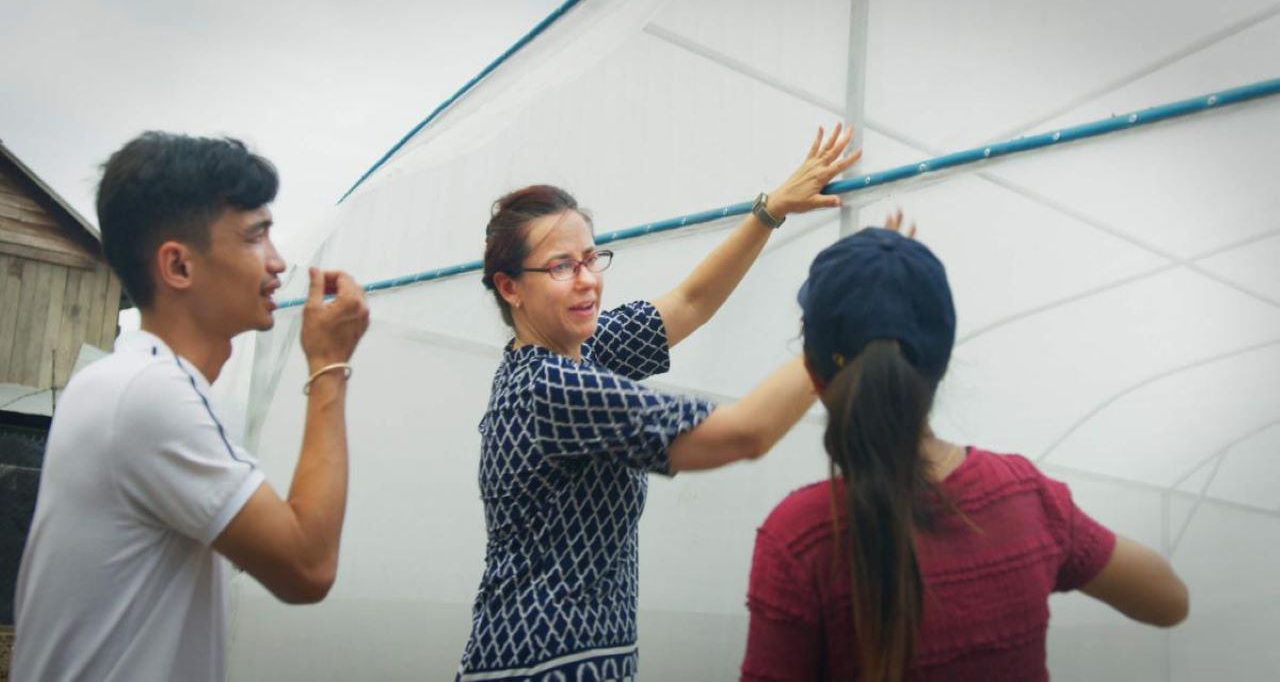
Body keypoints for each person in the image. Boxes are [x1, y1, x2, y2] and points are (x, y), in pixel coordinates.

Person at [456, 126, 867, 681]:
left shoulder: (585, 353)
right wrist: (845, 328)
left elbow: (690, 303)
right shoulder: (549, 389)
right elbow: (744, 432)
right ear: (510, 288)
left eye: (590, 258)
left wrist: (770, 210)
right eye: (561, 267)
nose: (587, 282)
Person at [740, 226, 1190, 681]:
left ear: (813, 376)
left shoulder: (799, 539)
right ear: (942, 363)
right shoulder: (1024, 495)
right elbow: (1170, 601)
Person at [11, 132, 370, 681]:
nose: (278, 263)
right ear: (178, 267)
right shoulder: (147, 395)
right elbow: (308, 565)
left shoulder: (136, 382)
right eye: (256, 238)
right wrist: (329, 364)